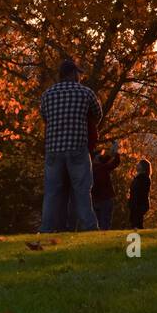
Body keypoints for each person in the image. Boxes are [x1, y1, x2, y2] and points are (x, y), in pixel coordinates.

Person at [39, 58, 103, 233]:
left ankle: (46, 228)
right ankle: (89, 226)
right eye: (78, 74)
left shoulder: (47, 95)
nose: (80, 77)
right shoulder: (86, 93)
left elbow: (45, 118)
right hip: (77, 147)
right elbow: (98, 115)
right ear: (74, 74)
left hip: (53, 149)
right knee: (82, 190)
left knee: (52, 192)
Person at [89, 141, 121, 231]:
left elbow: (104, 160)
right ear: (97, 158)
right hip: (105, 199)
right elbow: (115, 163)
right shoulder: (102, 168)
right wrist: (116, 153)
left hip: (95, 199)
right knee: (105, 223)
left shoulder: (90, 169)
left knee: (98, 221)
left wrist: (110, 154)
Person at [128, 158, 151, 230]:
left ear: (143, 167)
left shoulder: (144, 178)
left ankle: (139, 236)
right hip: (136, 204)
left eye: (139, 164)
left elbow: (140, 192)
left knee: (137, 223)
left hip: (140, 204)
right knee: (135, 222)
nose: (137, 165)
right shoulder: (138, 178)